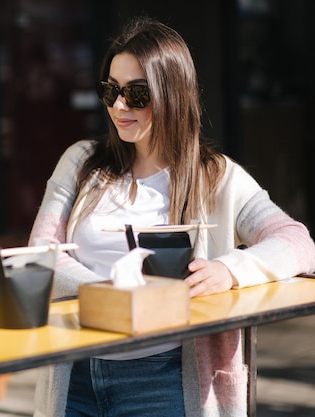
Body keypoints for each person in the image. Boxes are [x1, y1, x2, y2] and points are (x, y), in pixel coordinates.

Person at [28, 17, 315, 417]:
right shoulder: (80, 162)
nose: (118, 106)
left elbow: (298, 242)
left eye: (136, 93)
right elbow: (42, 252)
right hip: (76, 371)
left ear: (172, 94)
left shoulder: (215, 176)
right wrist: (115, 293)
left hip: (166, 380)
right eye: (110, 90)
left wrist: (230, 270)